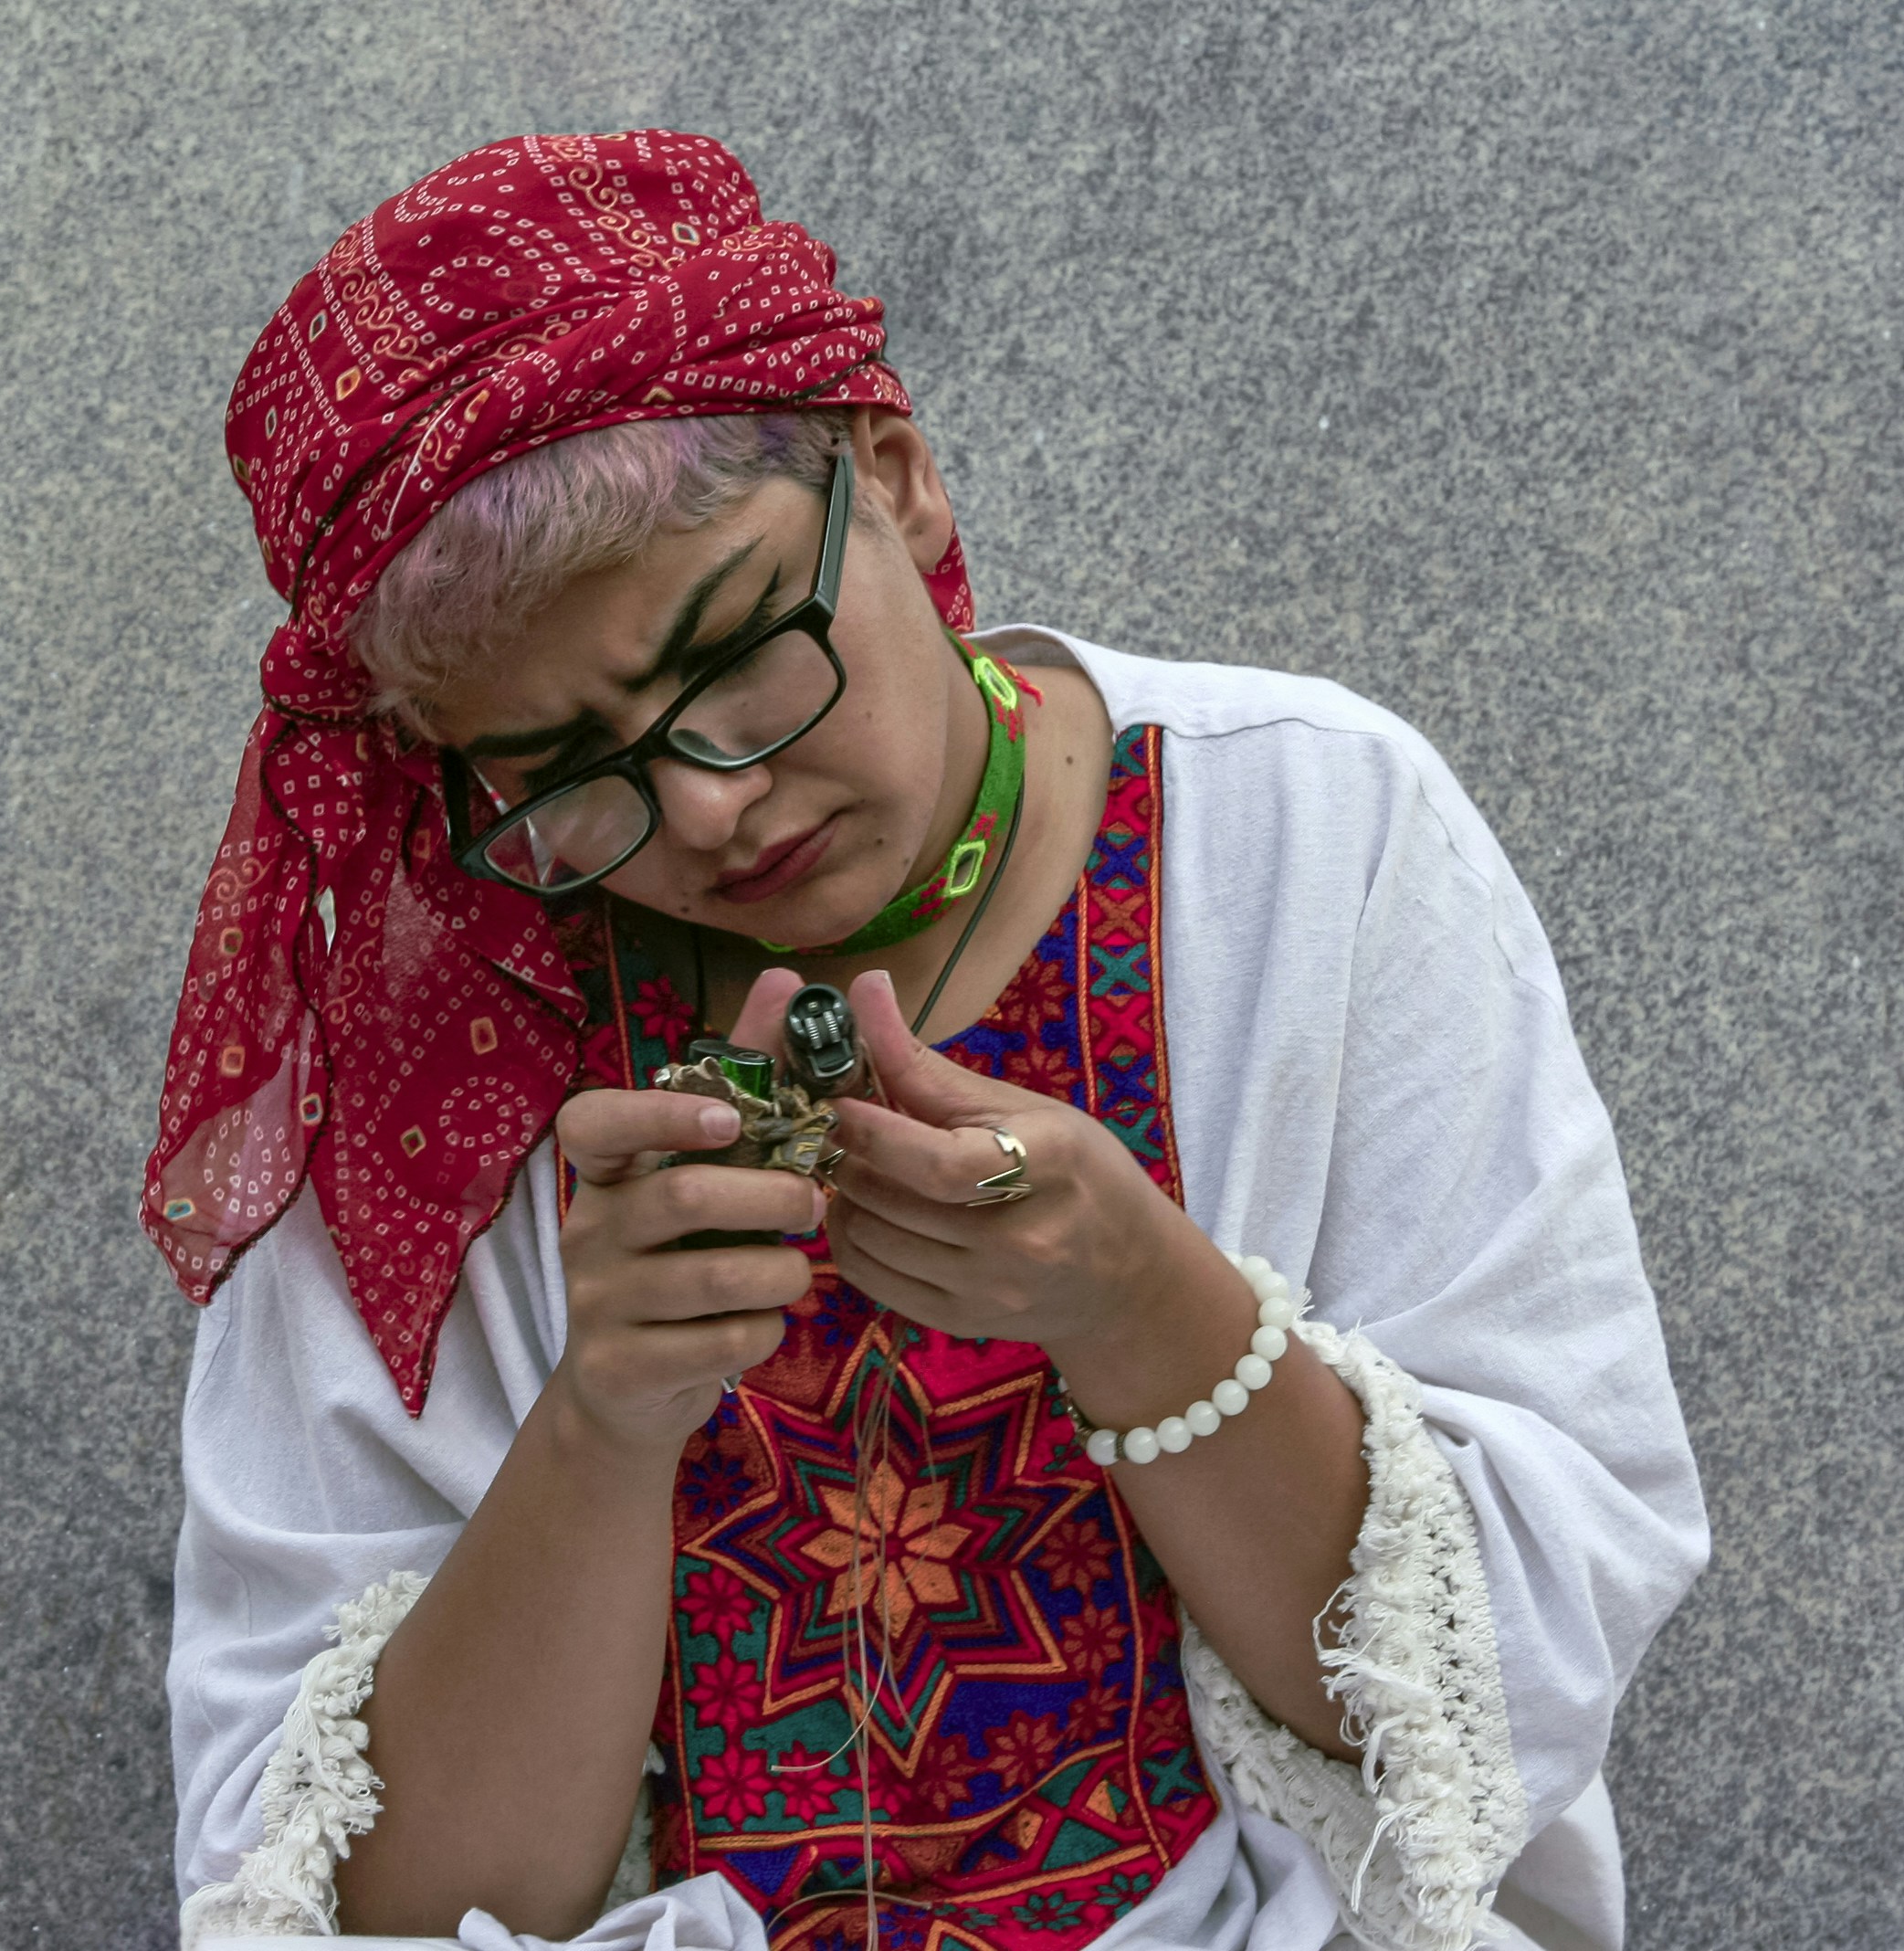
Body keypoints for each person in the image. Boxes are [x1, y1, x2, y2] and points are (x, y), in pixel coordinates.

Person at [150, 131, 1707, 1951]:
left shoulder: (1303, 837)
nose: (709, 806)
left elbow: (1500, 1710)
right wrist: (605, 1419)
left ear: (894, 476)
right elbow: (362, 1916)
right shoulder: (450, 1082)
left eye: (734, 651)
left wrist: (1143, 1310)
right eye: (571, 771)